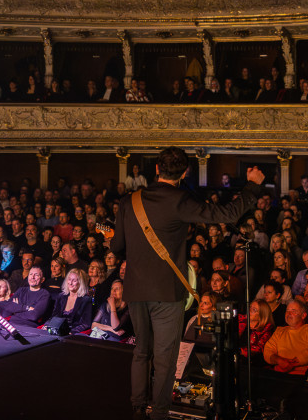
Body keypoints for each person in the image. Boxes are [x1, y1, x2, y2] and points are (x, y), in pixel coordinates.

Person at [110, 147, 265, 420]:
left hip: (135, 289)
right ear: (184, 173)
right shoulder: (181, 200)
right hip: (167, 292)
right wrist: (252, 186)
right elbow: (227, 214)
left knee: (141, 351)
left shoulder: (128, 201)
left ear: (156, 169)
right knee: (165, 357)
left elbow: (117, 244)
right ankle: (158, 414)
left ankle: (136, 409)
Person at [262, 299, 308, 375]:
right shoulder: (279, 331)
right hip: (279, 375)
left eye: (294, 311)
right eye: (287, 310)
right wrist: (279, 360)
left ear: (303, 315)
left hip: (304, 377)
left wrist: (290, 364)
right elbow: (267, 351)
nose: (289, 313)